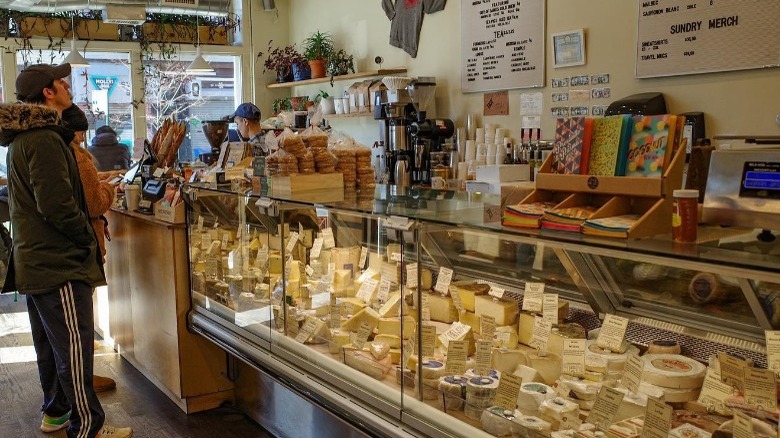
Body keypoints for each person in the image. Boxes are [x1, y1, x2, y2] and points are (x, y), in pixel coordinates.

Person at [0, 63, 132, 438]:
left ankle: (56, 412)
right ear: (47, 92)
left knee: (52, 346)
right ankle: (88, 427)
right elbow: (57, 206)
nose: (67, 87)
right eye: (61, 82)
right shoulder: (42, 138)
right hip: (57, 262)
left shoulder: (25, 137)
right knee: (75, 348)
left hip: (37, 260)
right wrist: (85, 239)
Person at [61, 104, 119, 394]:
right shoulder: (80, 159)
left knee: (78, 320)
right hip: (83, 243)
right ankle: (84, 383)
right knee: (81, 320)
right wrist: (110, 189)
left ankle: (80, 381)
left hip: (70, 247)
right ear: (80, 131)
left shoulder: (63, 154)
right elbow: (95, 204)